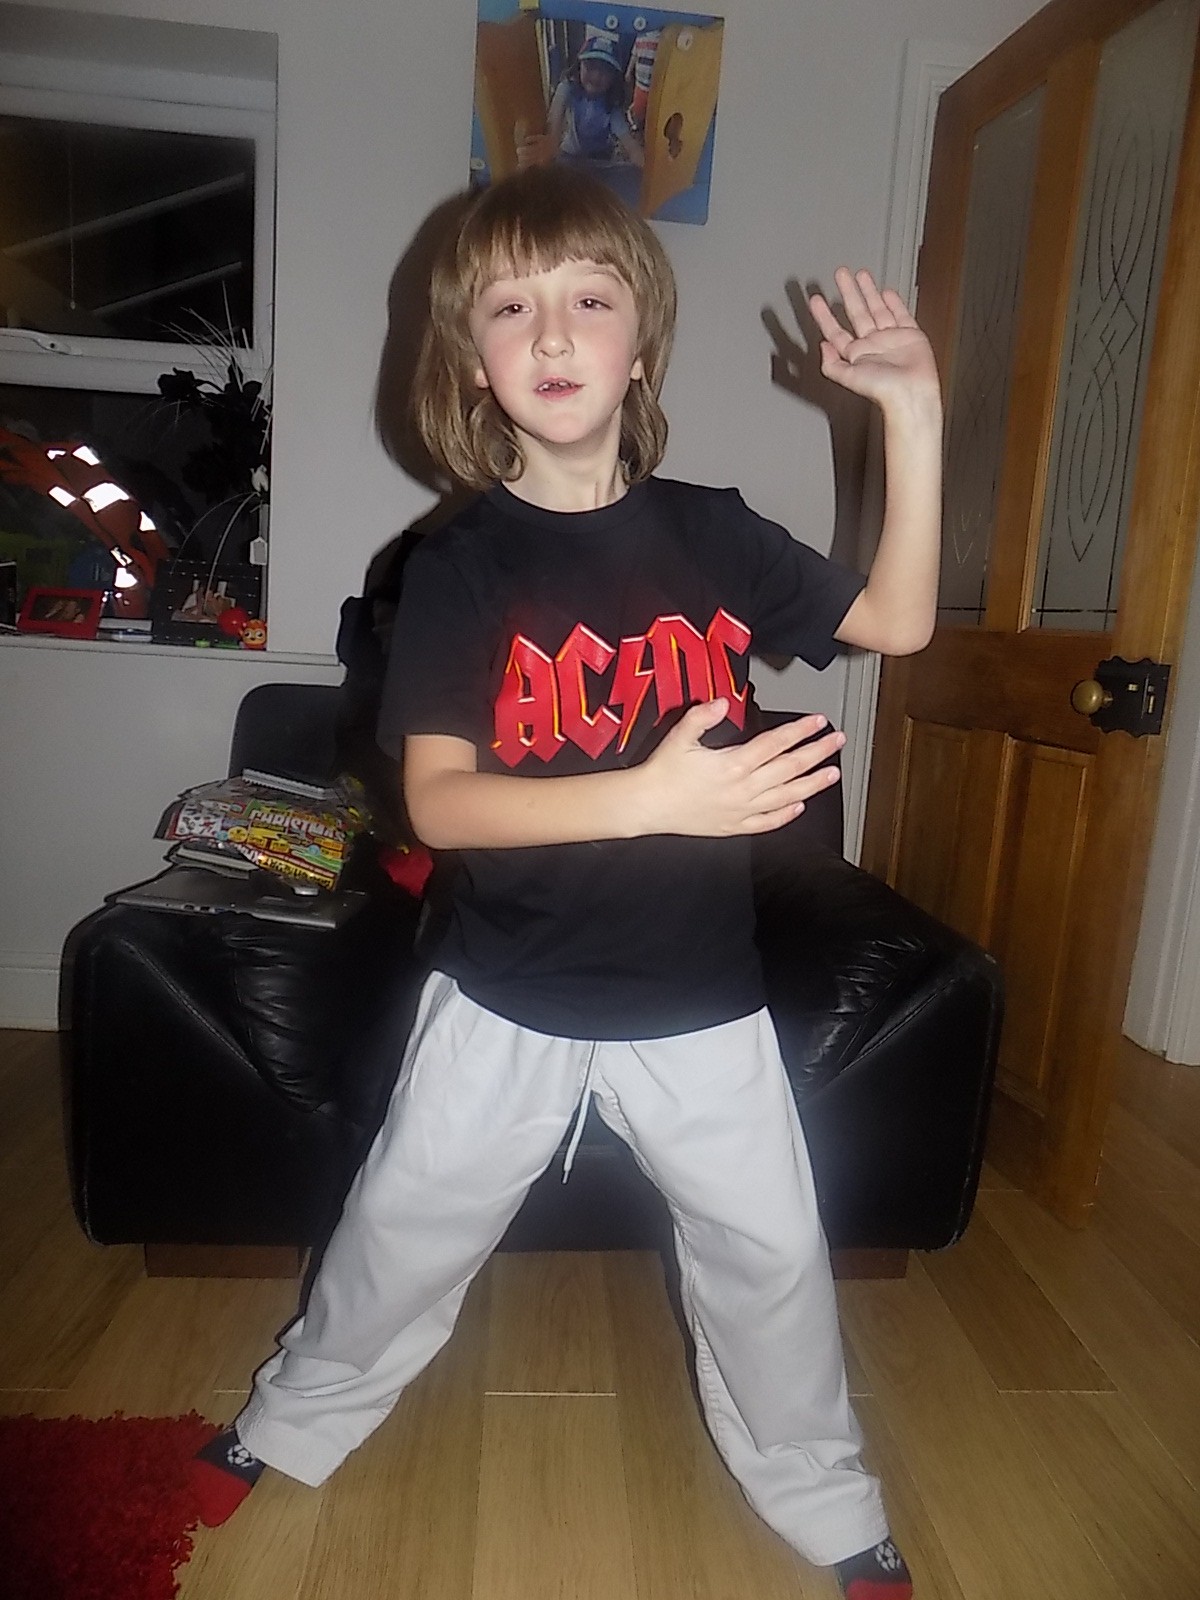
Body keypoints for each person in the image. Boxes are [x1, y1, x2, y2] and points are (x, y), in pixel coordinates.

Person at [191, 165, 942, 1600]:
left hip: (700, 1002)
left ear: (640, 346)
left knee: (774, 1259)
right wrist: (653, 795)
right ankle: (292, 1418)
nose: (550, 332)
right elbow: (439, 799)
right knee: (401, 1233)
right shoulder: (455, 565)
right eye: (510, 307)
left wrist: (912, 409)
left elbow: (898, 620)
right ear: (471, 362)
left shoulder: (714, 533)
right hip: (504, 996)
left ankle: (822, 1489)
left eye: (589, 300)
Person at [517, 31, 644, 170]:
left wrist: (645, 165)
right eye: (590, 66)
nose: (596, 76)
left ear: (614, 77)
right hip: (570, 153)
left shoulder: (610, 106)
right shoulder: (568, 88)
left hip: (599, 159)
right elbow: (554, 124)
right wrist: (551, 144)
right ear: (579, 65)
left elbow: (629, 143)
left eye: (605, 70)